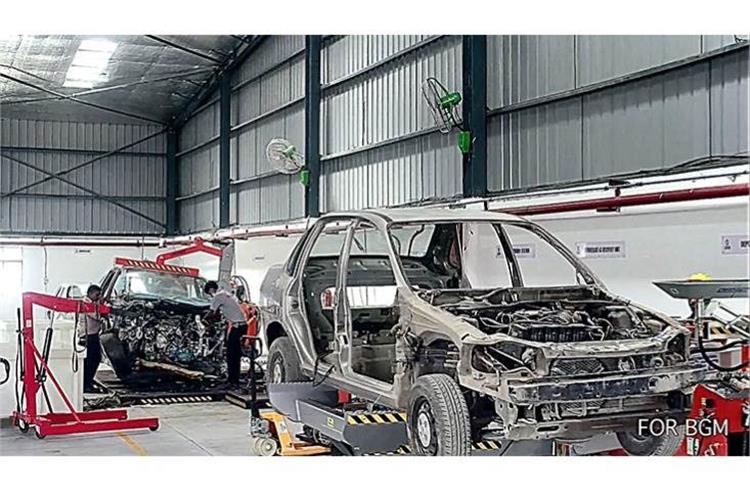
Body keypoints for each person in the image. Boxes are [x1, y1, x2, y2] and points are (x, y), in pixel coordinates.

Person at [203, 280, 247, 388]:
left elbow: (212, 312)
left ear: (211, 289)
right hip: (241, 325)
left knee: (232, 354)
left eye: (209, 293)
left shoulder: (218, 296)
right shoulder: (226, 293)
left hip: (237, 326)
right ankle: (233, 379)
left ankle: (233, 381)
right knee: (234, 354)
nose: (210, 296)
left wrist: (203, 321)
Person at [82, 284, 104, 393]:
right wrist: (102, 304)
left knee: (94, 360)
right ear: (90, 293)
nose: (98, 297)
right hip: (88, 336)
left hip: (92, 335)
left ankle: (87, 381)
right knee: (92, 360)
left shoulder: (92, 303)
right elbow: (97, 316)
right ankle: (86, 384)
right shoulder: (87, 304)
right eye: (97, 294)